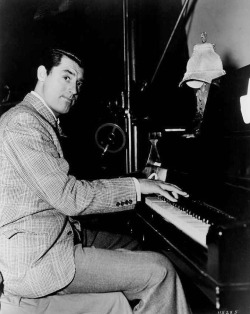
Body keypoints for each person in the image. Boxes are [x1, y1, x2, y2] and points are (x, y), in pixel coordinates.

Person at [0, 47, 191, 313]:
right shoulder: (24, 123)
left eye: (78, 83)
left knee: (134, 245)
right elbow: (70, 198)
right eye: (66, 77)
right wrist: (138, 186)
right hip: (38, 259)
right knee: (160, 270)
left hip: (56, 235)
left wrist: (135, 183)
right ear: (42, 73)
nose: (74, 89)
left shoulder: (39, 119)